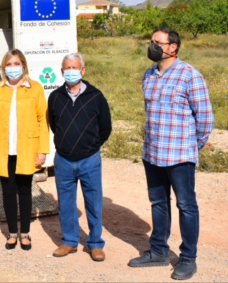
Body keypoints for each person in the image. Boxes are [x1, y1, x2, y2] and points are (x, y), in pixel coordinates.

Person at [128, 27, 214, 280]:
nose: (152, 46)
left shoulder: (190, 76)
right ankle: (158, 252)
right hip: (153, 152)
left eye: (157, 42)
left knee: (186, 205)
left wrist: (189, 146)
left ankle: (188, 258)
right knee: (158, 203)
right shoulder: (149, 75)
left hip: (179, 155)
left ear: (172, 47)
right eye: (151, 41)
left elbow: (206, 119)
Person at [47, 53, 112, 262]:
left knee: (93, 202)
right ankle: (69, 241)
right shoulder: (55, 97)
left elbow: (105, 127)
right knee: (66, 203)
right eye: (67, 68)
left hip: (89, 159)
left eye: (75, 67)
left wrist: (91, 146)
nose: (71, 71)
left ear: (83, 70)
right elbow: (54, 125)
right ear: (61, 72)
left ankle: (95, 244)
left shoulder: (96, 96)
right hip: (64, 160)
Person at [0, 49, 49, 251]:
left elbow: (42, 120)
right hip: (3, 149)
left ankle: (26, 233)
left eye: (16, 63)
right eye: (9, 65)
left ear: (24, 65)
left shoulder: (35, 88)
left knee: (25, 191)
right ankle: (12, 233)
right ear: (4, 68)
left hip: (27, 148)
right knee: (8, 192)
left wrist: (42, 150)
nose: (13, 68)